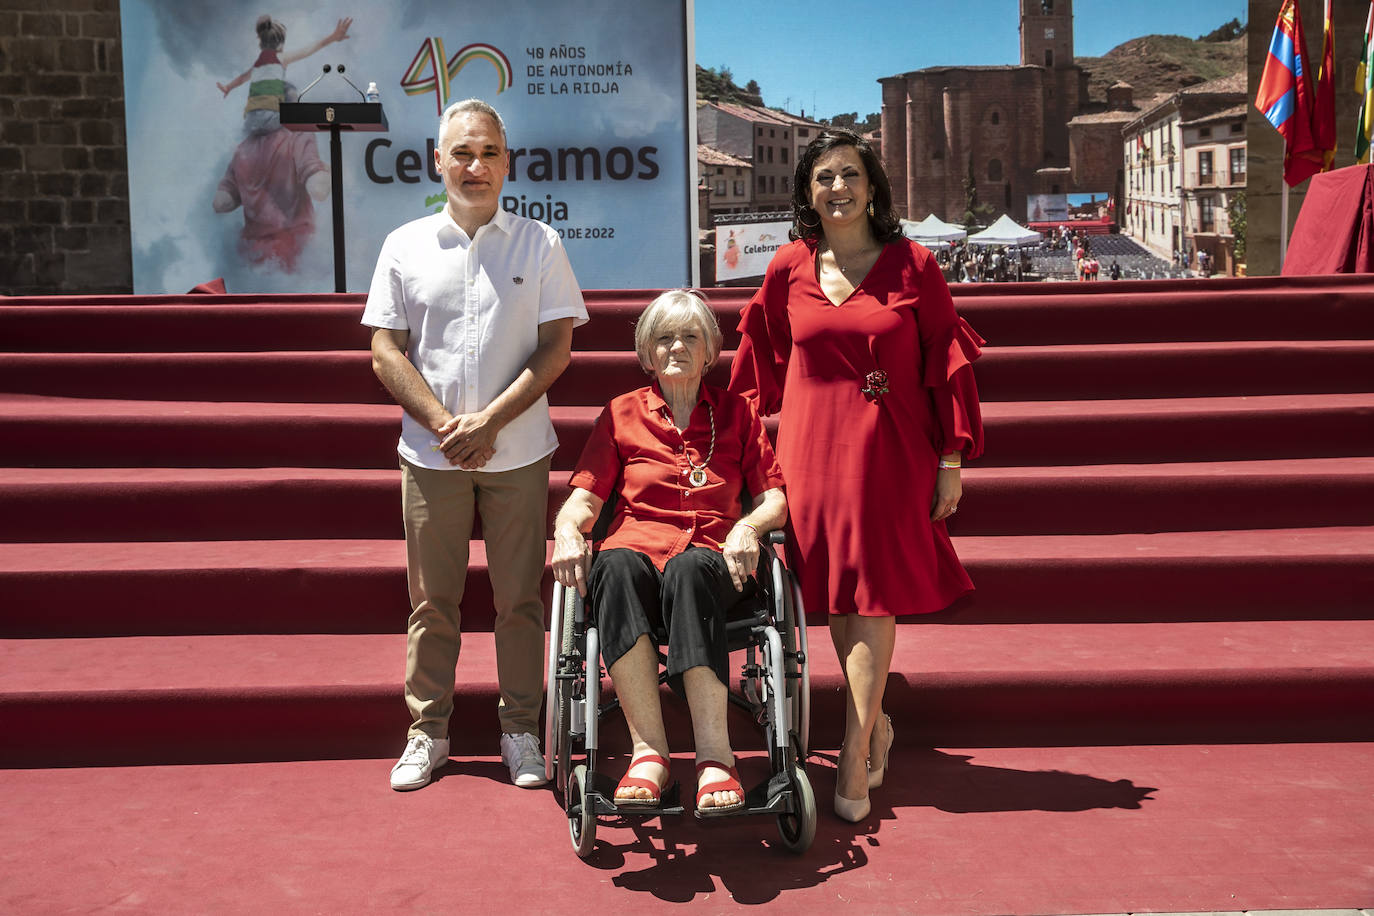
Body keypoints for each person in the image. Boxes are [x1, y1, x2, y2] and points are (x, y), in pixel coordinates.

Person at [729, 128, 984, 823]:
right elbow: (756, 370)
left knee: (870, 595)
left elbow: (947, 360)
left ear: (873, 186)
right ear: (807, 193)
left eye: (849, 175)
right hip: (813, 453)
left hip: (891, 452)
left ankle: (851, 746)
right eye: (823, 178)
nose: (837, 188)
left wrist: (952, 458)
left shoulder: (915, 265)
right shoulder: (788, 266)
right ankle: (876, 727)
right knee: (840, 596)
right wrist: (741, 458)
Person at [364, 98, 588, 791]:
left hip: (518, 451)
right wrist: (444, 424)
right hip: (430, 458)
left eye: (489, 152)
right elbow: (384, 350)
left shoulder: (541, 244)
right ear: (438, 161)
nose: (475, 165)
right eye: (462, 152)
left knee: (520, 600)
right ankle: (426, 733)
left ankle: (521, 731)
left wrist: (489, 422)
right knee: (432, 601)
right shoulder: (403, 245)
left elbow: (556, 350)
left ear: (507, 162)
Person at [552, 290, 787, 815]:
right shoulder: (621, 414)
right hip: (636, 558)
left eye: (689, 336)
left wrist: (748, 527)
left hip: (715, 560)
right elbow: (584, 499)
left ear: (710, 351)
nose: (676, 346)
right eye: (663, 338)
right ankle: (649, 754)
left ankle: (714, 758)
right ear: (646, 354)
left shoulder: (738, 414)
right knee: (610, 561)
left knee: (688, 568)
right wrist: (567, 532)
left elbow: (775, 499)